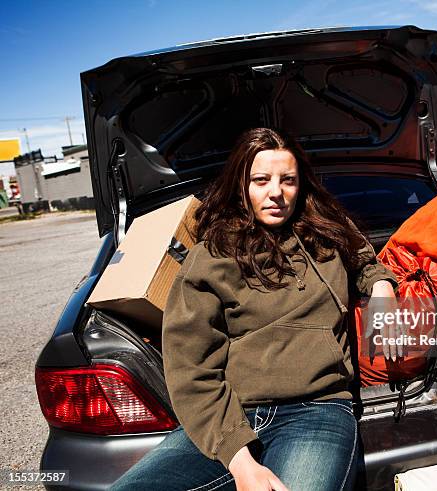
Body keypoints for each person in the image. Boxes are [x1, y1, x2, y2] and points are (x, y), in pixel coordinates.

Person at [111, 128, 398, 491]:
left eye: (287, 180)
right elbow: (191, 367)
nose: (275, 192)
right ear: (241, 186)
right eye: (260, 180)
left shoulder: (328, 234)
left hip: (318, 410)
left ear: (301, 185)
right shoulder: (211, 257)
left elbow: (361, 255)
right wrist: (239, 460)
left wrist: (382, 287)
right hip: (232, 412)